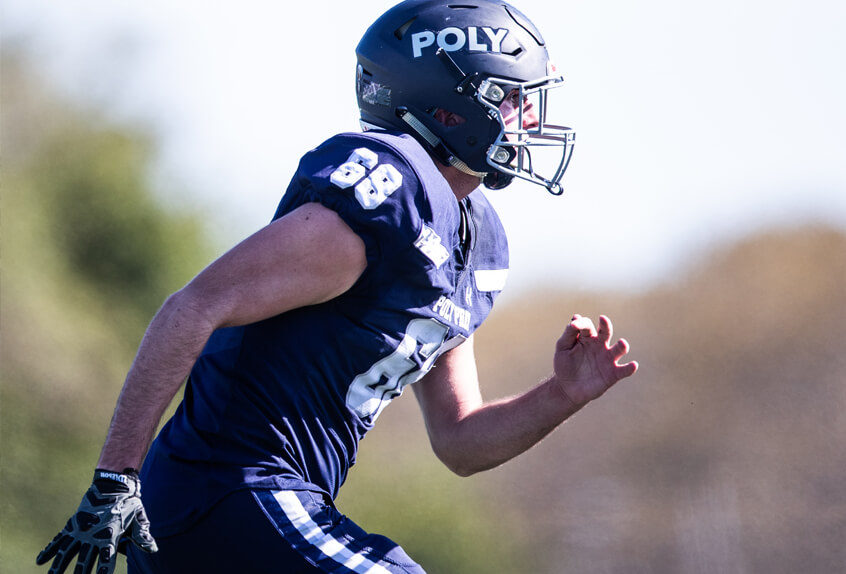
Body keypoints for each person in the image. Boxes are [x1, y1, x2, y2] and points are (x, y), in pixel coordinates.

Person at [37, 1, 638, 572]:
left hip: (261, 505)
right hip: (230, 487)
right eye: (508, 99)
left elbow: (460, 440)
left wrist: (562, 395)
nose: (526, 119)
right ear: (449, 107)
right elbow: (193, 307)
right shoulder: (388, 191)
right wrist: (117, 478)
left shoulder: (476, 239)